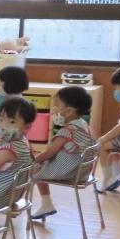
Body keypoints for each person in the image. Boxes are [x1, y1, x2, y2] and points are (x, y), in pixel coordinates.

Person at [30, 86, 95, 220]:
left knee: (30, 170)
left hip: (70, 172)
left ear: (69, 111)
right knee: (38, 168)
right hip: (83, 172)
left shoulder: (67, 131)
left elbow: (49, 153)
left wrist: (31, 161)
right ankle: (46, 204)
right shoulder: (85, 125)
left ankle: (43, 203)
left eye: (57, 105)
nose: (54, 109)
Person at [0, 96, 36, 207]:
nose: (3, 126)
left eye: (12, 122)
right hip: (10, 196)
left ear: (26, 127)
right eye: (0, 120)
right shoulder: (23, 142)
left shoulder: (9, 150)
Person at [0, 65, 30, 140]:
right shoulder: (15, 100)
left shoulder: (14, 104)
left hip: (9, 140)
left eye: (1, 81)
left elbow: (1, 128)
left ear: (10, 84)